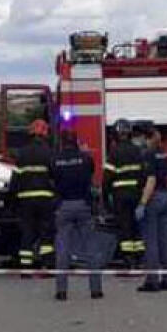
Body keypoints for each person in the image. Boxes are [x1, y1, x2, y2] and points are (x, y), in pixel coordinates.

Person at [50, 129, 104, 301]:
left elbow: (52, 180)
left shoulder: (55, 160)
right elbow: (91, 174)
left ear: (62, 142)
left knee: (63, 249)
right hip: (83, 205)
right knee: (91, 249)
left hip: (64, 205)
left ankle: (61, 291)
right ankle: (96, 290)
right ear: (76, 142)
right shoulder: (86, 159)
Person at [11, 119, 56, 273]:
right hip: (45, 199)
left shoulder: (22, 153)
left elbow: (15, 179)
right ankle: (47, 264)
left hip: (26, 200)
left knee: (27, 231)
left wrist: (12, 199)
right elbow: (55, 176)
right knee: (46, 231)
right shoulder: (50, 152)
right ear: (45, 134)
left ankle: (25, 265)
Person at [136, 128, 167, 292]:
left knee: (151, 241)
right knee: (164, 241)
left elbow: (151, 180)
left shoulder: (149, 155)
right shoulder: (165, 154)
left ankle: (152, 281)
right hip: (165, 197)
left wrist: (143, 203)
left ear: (149, 139)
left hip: (154, 199)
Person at [103, 119, 145, 268]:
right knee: (136, 225)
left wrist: (105, 197)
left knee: (124, 226)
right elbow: (143, 174)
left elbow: (107, 177)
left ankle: (128, 257)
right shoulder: (137, 150)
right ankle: (140, 256)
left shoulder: (114, 152)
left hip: (120, 195)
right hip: (136, 193)